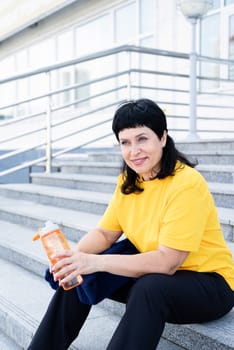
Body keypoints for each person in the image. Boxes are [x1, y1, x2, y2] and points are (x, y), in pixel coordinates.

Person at [28, 98, 234, 350]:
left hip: (209, 285)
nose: (133, 151)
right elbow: (105, 234)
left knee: (149, 287)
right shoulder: (130, 180)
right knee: (77, 270)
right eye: (125, 142)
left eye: (142, 139)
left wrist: (95, 261)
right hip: (157, 273)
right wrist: (73, 257)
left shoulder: (187, 184)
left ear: (163, 137)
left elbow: (168, 262)